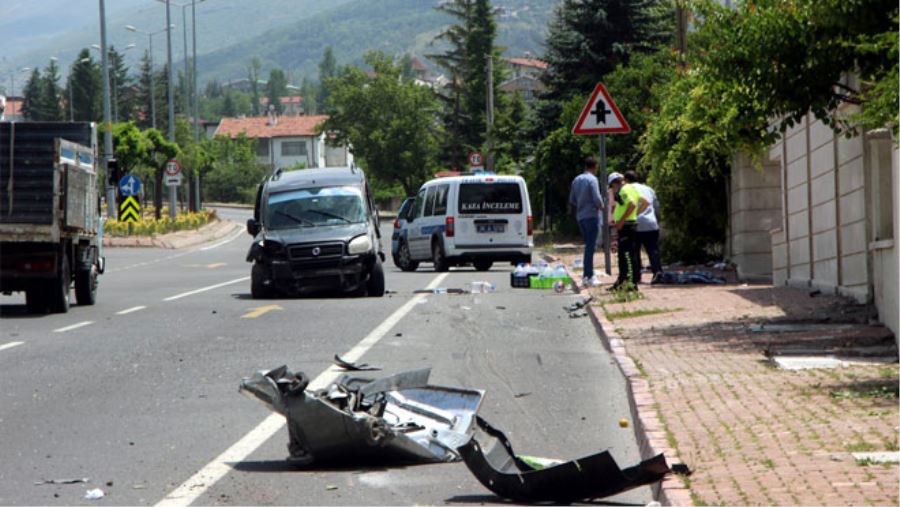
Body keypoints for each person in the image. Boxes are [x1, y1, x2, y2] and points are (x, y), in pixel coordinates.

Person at [608, 172, 648, 291]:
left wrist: (621, 221)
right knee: (631, 254)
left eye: (612, 186)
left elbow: (631, 204)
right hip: (631, 224)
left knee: (625, 255)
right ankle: (626, 281)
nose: (612, 189)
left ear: (615, 183)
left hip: (625, 226)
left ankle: (627, 283)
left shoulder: (623, 190)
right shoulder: (632, 188)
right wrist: (635, 214)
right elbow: (645, 203)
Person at [568, 157, 604, 286]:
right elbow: (597, 197)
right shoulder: (592, 179)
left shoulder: (576, 180)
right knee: (591, 246)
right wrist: (602, 207)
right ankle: (589, 275)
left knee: (588, 245)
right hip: (591, 215)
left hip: (580, 216)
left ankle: (587, 275)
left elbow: (572, 200)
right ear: (595, 166)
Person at [624, 170, 662, 279]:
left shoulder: (627, 189)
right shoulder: (648, 189)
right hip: (651, 223)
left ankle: (636, 275)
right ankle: (657, 272)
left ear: (626, 180)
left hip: (634, 224)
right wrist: (656, 220)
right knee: (653, 250)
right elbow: (656, 207)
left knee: (635, 251)